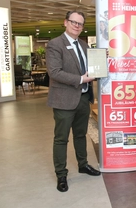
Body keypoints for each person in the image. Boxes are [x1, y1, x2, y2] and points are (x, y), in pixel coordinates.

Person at [46, 10, 101, 193]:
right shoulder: (55, 45)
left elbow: (92, 69)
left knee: (80, 134)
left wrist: (100, 66)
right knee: (61, 139)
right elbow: (54, 72)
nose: (77, 26)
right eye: (73, 22)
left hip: (83, 98)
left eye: (80, 23)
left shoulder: (84, 45)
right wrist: (80, 79)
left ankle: (83, 164)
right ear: (65, 22)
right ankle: (61, 174)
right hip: (64, 100)